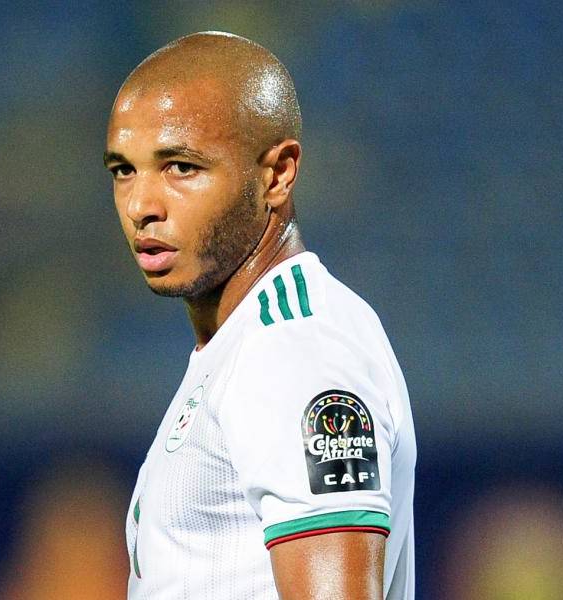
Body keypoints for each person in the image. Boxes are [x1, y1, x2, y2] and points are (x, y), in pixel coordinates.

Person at [104, 31, 416, 600]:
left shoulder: (295, 347)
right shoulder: (241, 343)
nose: (141, 206)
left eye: (180, 167)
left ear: (277, 175)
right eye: (124, 170)